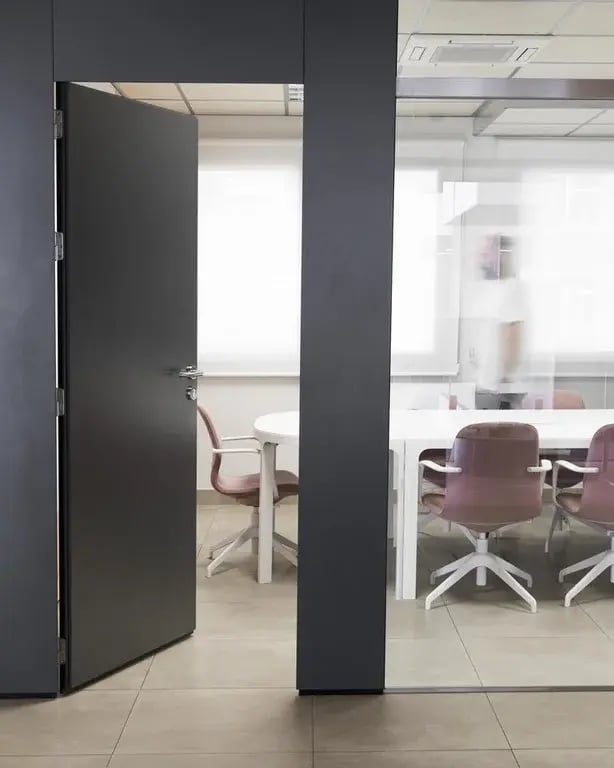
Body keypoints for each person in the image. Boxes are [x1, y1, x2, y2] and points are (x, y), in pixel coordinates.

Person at [472, 234, 527, 409]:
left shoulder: (511, 288)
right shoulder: (488, 289)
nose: (482, 258)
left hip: (500, 388)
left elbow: (514, 335)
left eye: (487, 253)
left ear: (501, 255)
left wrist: (505, 379)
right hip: (484, 384)